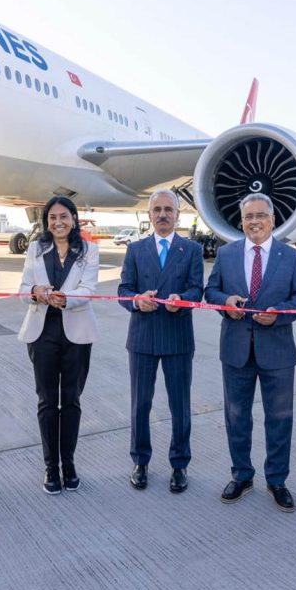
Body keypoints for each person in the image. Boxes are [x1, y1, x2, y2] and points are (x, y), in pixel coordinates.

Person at [204, 193, 296, 512]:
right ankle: (241, 475)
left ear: (273, 219)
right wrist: (226, 303)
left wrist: (279, 313)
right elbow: (211, 290)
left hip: (277, 351)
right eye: (248, 217)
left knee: (279, 419)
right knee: (237, 417)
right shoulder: (226, 254)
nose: (254, 222)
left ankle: (277, 479)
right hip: (236, 349)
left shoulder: (291, 257)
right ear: (242, 221)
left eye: (260, 216)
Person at [117, 189, 204, 493]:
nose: (163, 215)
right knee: (140, 405)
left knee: (179, 405)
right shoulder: (136, 250)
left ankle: (179, 464)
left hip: (178, 338)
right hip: (142, 339)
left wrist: (182, 299)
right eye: (157, 210)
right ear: (150, 214)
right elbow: (123, 291)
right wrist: (137, 301)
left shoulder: (191, 250)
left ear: (178, 214)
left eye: (169, 209)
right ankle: (140, 460)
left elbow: (197, 290)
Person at [17, 196, 99, 494]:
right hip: (43, 333)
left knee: (72, 401)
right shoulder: (37, 248)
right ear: (46, 221)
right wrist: (36, 291)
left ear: (74, 218)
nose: (58, 222)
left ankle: (70, 463)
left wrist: (66, 299)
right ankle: (51, 466)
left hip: (76, 332)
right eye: (52, 217)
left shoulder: (89, 249)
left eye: (64, 216)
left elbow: (89, 289)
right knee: (47, 401)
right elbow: (23, 289)